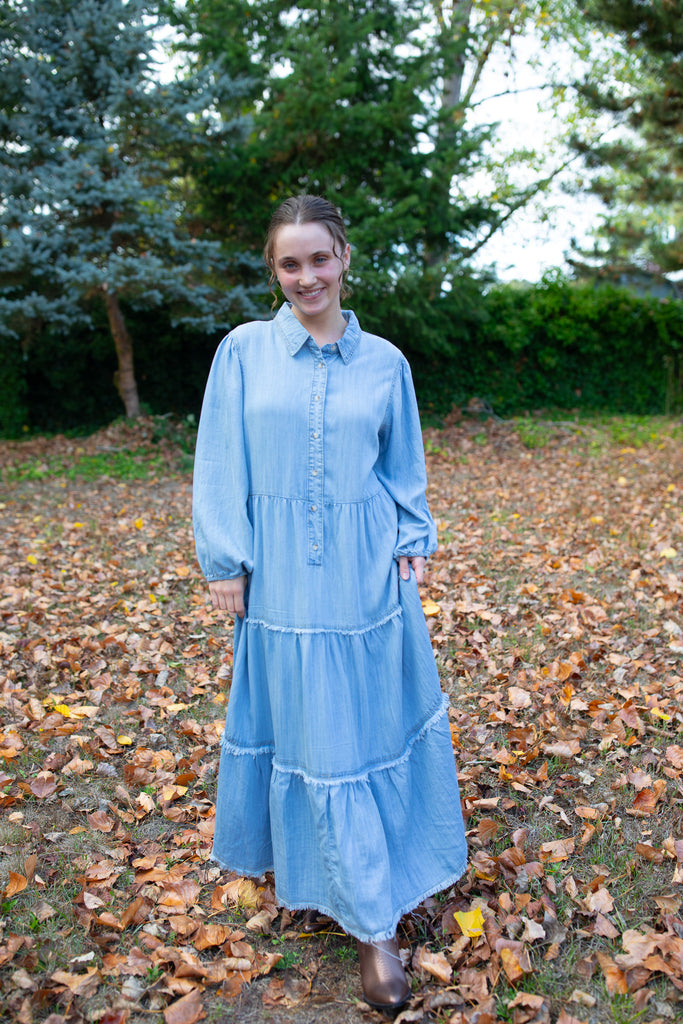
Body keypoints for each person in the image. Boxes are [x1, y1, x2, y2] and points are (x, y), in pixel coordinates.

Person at [193, 194, 467, 1011]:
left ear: (343, 257)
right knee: (304, 723)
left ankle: (374, 922)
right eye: (289, 263)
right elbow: (219, 456)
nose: (305, 276)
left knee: (361, 728)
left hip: (365, 572)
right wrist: (225, 558)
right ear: (273, 270)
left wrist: (413, 533)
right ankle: (314, 865)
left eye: (319, 258)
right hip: (278, 575)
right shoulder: (243, 351)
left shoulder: (385, 362)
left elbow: (401, 464)